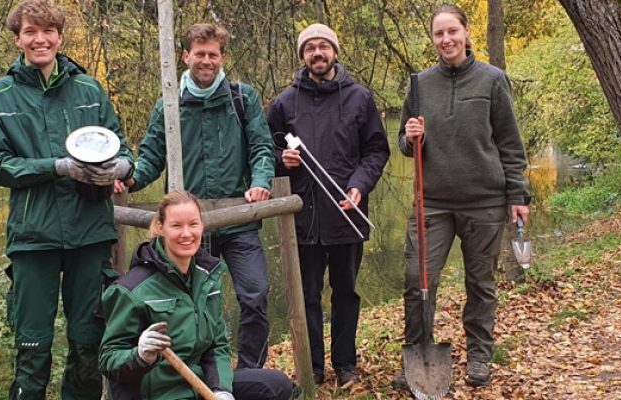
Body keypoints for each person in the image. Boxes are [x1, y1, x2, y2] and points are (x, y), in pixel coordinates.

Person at [0, 1, 133, 398]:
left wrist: (117, 169)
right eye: (30, 32)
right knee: (32, 349)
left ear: (60, 37)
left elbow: (122, 149)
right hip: (34, 235)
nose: (40, 39)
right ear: (18, 39)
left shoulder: (89, 89)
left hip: (90, 231)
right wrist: (58, 167)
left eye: (47, 31)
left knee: (88, 345)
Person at [115, 23, 275, 369]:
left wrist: (261, 181)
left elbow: (262, 148)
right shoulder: (168, 106)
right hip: (188, 228)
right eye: (199, 54)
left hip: (238, 220)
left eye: (213, 55)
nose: (206, 61)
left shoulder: (242, 99)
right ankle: (199, 377)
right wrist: (129, 180)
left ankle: (249, 374)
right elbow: (151, 159)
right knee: (191, 305)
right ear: (186, 56)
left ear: (222, 58)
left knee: (255, 294)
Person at [394, 4, 530, 388]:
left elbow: (510, 143)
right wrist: (412, 137)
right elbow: (404, 143)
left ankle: (479, 355)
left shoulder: (492, 80)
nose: (446, 39)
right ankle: (419, 355)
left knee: (480, 283)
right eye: (439, 33)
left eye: (452, 31)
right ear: (433, 39)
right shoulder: (419, 85)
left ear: (467, 32)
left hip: (484, 201)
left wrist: (518, 195)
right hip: (433, 202)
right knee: (417, 279)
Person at [267, 24, 390, 386]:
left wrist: (359, 185)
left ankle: (346, 364)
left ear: (335, 52)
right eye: (310, 48)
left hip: (346, 214)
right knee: (306, 296)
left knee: (346, 292)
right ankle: (313, 367)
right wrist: (281, 159)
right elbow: (264, 150)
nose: (317, 53)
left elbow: (376, 151)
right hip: (302, 217)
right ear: (303, 56)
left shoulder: (359, 99)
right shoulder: (283, 103)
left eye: (323, 46)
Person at [99, 191, 296, 400]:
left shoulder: (207, 278)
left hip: (200, 385)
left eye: (193, 224)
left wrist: (221, 389)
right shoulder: (130, 290)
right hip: (159, 394)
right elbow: (108, 360)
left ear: (202, 225)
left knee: (276, 386)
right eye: (176, 225)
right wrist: (140, 356)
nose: (186, 234)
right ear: (160, 227)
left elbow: (217, 345)